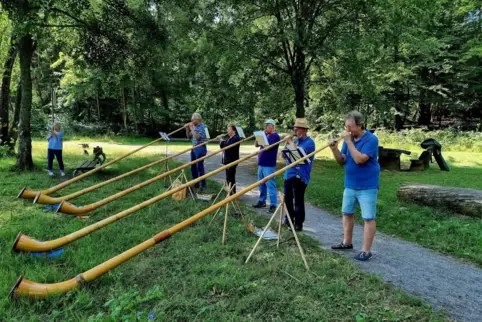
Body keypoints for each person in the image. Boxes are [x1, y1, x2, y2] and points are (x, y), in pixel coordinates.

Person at [329, 111, 380, 261]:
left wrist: (349, 141)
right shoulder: (348, 140)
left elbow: (360, 160)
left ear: (359, 125)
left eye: (350, 127)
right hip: (350, 184)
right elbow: (342, 161)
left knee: (368, 217)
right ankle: (347, 243)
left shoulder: (371, 140)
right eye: (346, 127)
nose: (347, 130)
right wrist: (334, 149)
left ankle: (366, 250)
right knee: (347, 213)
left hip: (367, 185)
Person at [282, 118, 316, 232]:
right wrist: (286, 145)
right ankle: (289, 219)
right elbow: (284, 155)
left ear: (304, 130)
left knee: (298, 200)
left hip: (300, 175)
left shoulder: (310, 143)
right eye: (294, 128)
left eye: (297, 128)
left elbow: (300, 155)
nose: (295, 130)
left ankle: (298, 223)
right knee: (287, 199)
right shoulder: (295, 141)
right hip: (289, 173)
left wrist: (290, 142)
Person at [252, 119, 280, 213]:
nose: (265, 128)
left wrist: (262, 138)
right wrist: (258, 137)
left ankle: (273, 204)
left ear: (272, 126)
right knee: (261, 184)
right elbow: (256, 145)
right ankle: (262, 201)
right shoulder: (266, 135)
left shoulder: (275, 137)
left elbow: (267, 147)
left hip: (269, 165)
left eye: (266, 126)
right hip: (261, 164)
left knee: (270, 184)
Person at [185, 112, 208, 191]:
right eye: (191, 120)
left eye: (193, 119)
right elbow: (188, 137)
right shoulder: (193, 126)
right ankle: (196, 183)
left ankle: (202, 184)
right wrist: (187, 129)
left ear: (198, 119)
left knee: (199, 166)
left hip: (201, 147)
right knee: (193, 166)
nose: (192, 121)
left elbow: (198, 137)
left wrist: (192, 128)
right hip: (194, 147)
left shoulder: (203, 126)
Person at [219, 124, 241, 194]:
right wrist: (221, 141)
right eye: (227, 129)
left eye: (229, 129)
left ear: (233, 130)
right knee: (228, 177)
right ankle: (230, 192)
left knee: (231, 177)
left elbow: (227, 146)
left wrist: (221, 140)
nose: (227, 131)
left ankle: (233, 192)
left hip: (232, 160)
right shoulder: (229, 138)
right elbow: (222, 147)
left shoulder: (236, 138)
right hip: (227, 160)